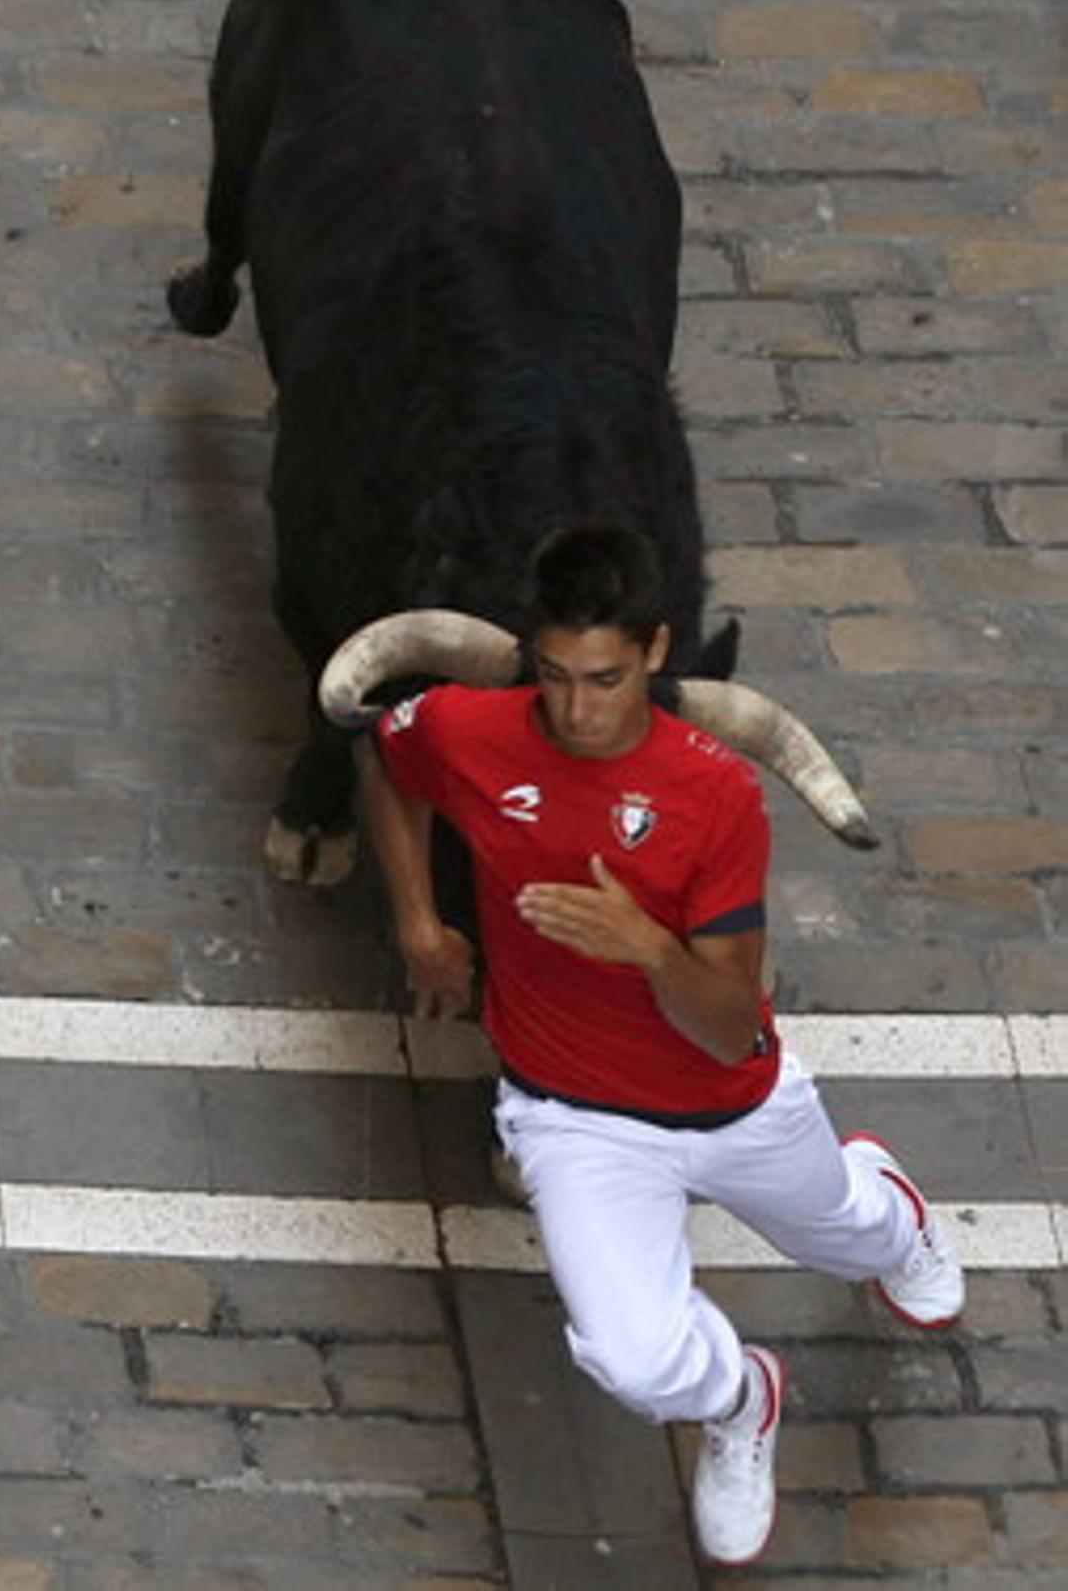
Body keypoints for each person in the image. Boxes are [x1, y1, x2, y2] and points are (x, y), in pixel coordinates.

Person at [356, 522, 963, 1567]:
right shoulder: (468, 728)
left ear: (653, 651)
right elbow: (384, 756)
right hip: (572, 1117)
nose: (576, 711)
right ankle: (738, 1399)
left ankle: (891, 1208)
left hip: (732, 1105)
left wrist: (643, 947)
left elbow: (730, 1022)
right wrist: (419, 920)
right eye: (551, 676)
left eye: (602, 678)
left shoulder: (714, 794)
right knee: (632, 1361)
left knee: (853, 1243)